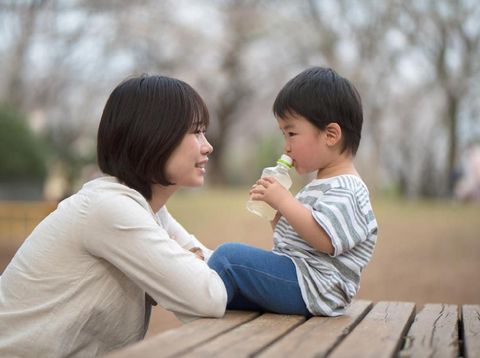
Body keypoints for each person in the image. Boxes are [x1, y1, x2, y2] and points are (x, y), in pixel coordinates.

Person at [0, 75, 227, 357]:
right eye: (195, 132)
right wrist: (190, 264)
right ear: (153, 136)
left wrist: (193, 262)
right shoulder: (109, 209)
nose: (208, 146)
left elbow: (219, 271)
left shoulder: (148, 210)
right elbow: (209, 298)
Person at [208, 67, 378, 317]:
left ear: (331, 135)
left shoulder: (348, 189)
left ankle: (187, 293)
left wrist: (283, 200)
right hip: (301, 281)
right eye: (283, 134)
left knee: (228, 259)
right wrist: (276, 212)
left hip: (315, 287)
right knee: (229, 291)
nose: (286, 146)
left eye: (292, 133)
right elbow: (294, 239)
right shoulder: (320, 185)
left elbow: (324, 240)